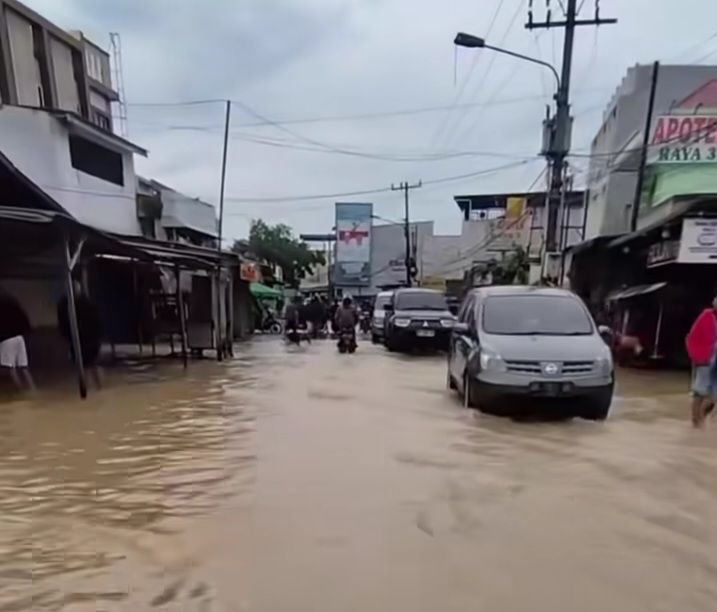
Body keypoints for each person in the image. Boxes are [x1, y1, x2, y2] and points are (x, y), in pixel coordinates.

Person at [57, 282, 102, 388]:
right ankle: (89, 387)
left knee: (91, 364)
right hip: (76, 338)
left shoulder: (86, 303)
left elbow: (95, 322)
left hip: (89, 339)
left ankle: (95, 387)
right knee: (83, 365)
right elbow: (63, 323)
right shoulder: (64, 304)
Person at [685, 295, 717, 428]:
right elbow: (693, 338)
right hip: (705, 358)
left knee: (712, 396)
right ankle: (696, 423)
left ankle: (700, 421)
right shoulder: (706, 317)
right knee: (700, 392)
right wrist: (698, 356)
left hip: (713, 360)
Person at [0, 290, 34, 391]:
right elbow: (25, 320)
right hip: (19, 338)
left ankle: (21, 391)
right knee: (24, 367)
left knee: (10, 368)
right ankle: (33, 390)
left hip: (6, 339)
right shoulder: (13, 304)